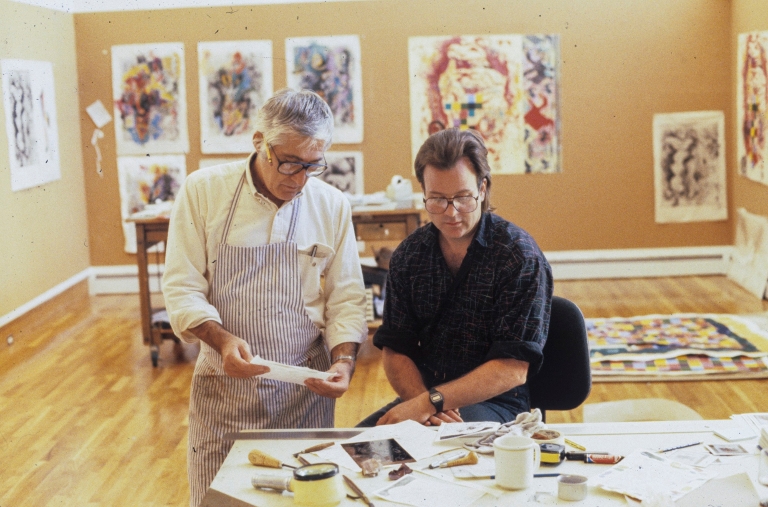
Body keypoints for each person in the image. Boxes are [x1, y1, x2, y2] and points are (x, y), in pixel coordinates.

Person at [162, 88, 368, 506]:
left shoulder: (331, 205)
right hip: (224, 388)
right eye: (289, 162)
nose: (298, 179)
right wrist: (221, 341)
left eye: (312, 165)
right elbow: (182, 286)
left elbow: (346, 298)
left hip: (304, 390)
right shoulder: (204, 192)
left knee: (307, 499)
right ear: (259, 142)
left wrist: (343, 361)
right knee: (220, 499)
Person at [358, 128, 553, 428]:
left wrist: (429, 403)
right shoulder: (409, 256)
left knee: (437, 452)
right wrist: (425, 403)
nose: (451, 213)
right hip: (424, 398)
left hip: (497, 402)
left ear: (483, 188)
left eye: (463, 197)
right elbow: (396, 349)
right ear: (422, 192)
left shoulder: (518, 256)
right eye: (436, 199)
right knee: (354, 453)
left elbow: (512, 369)